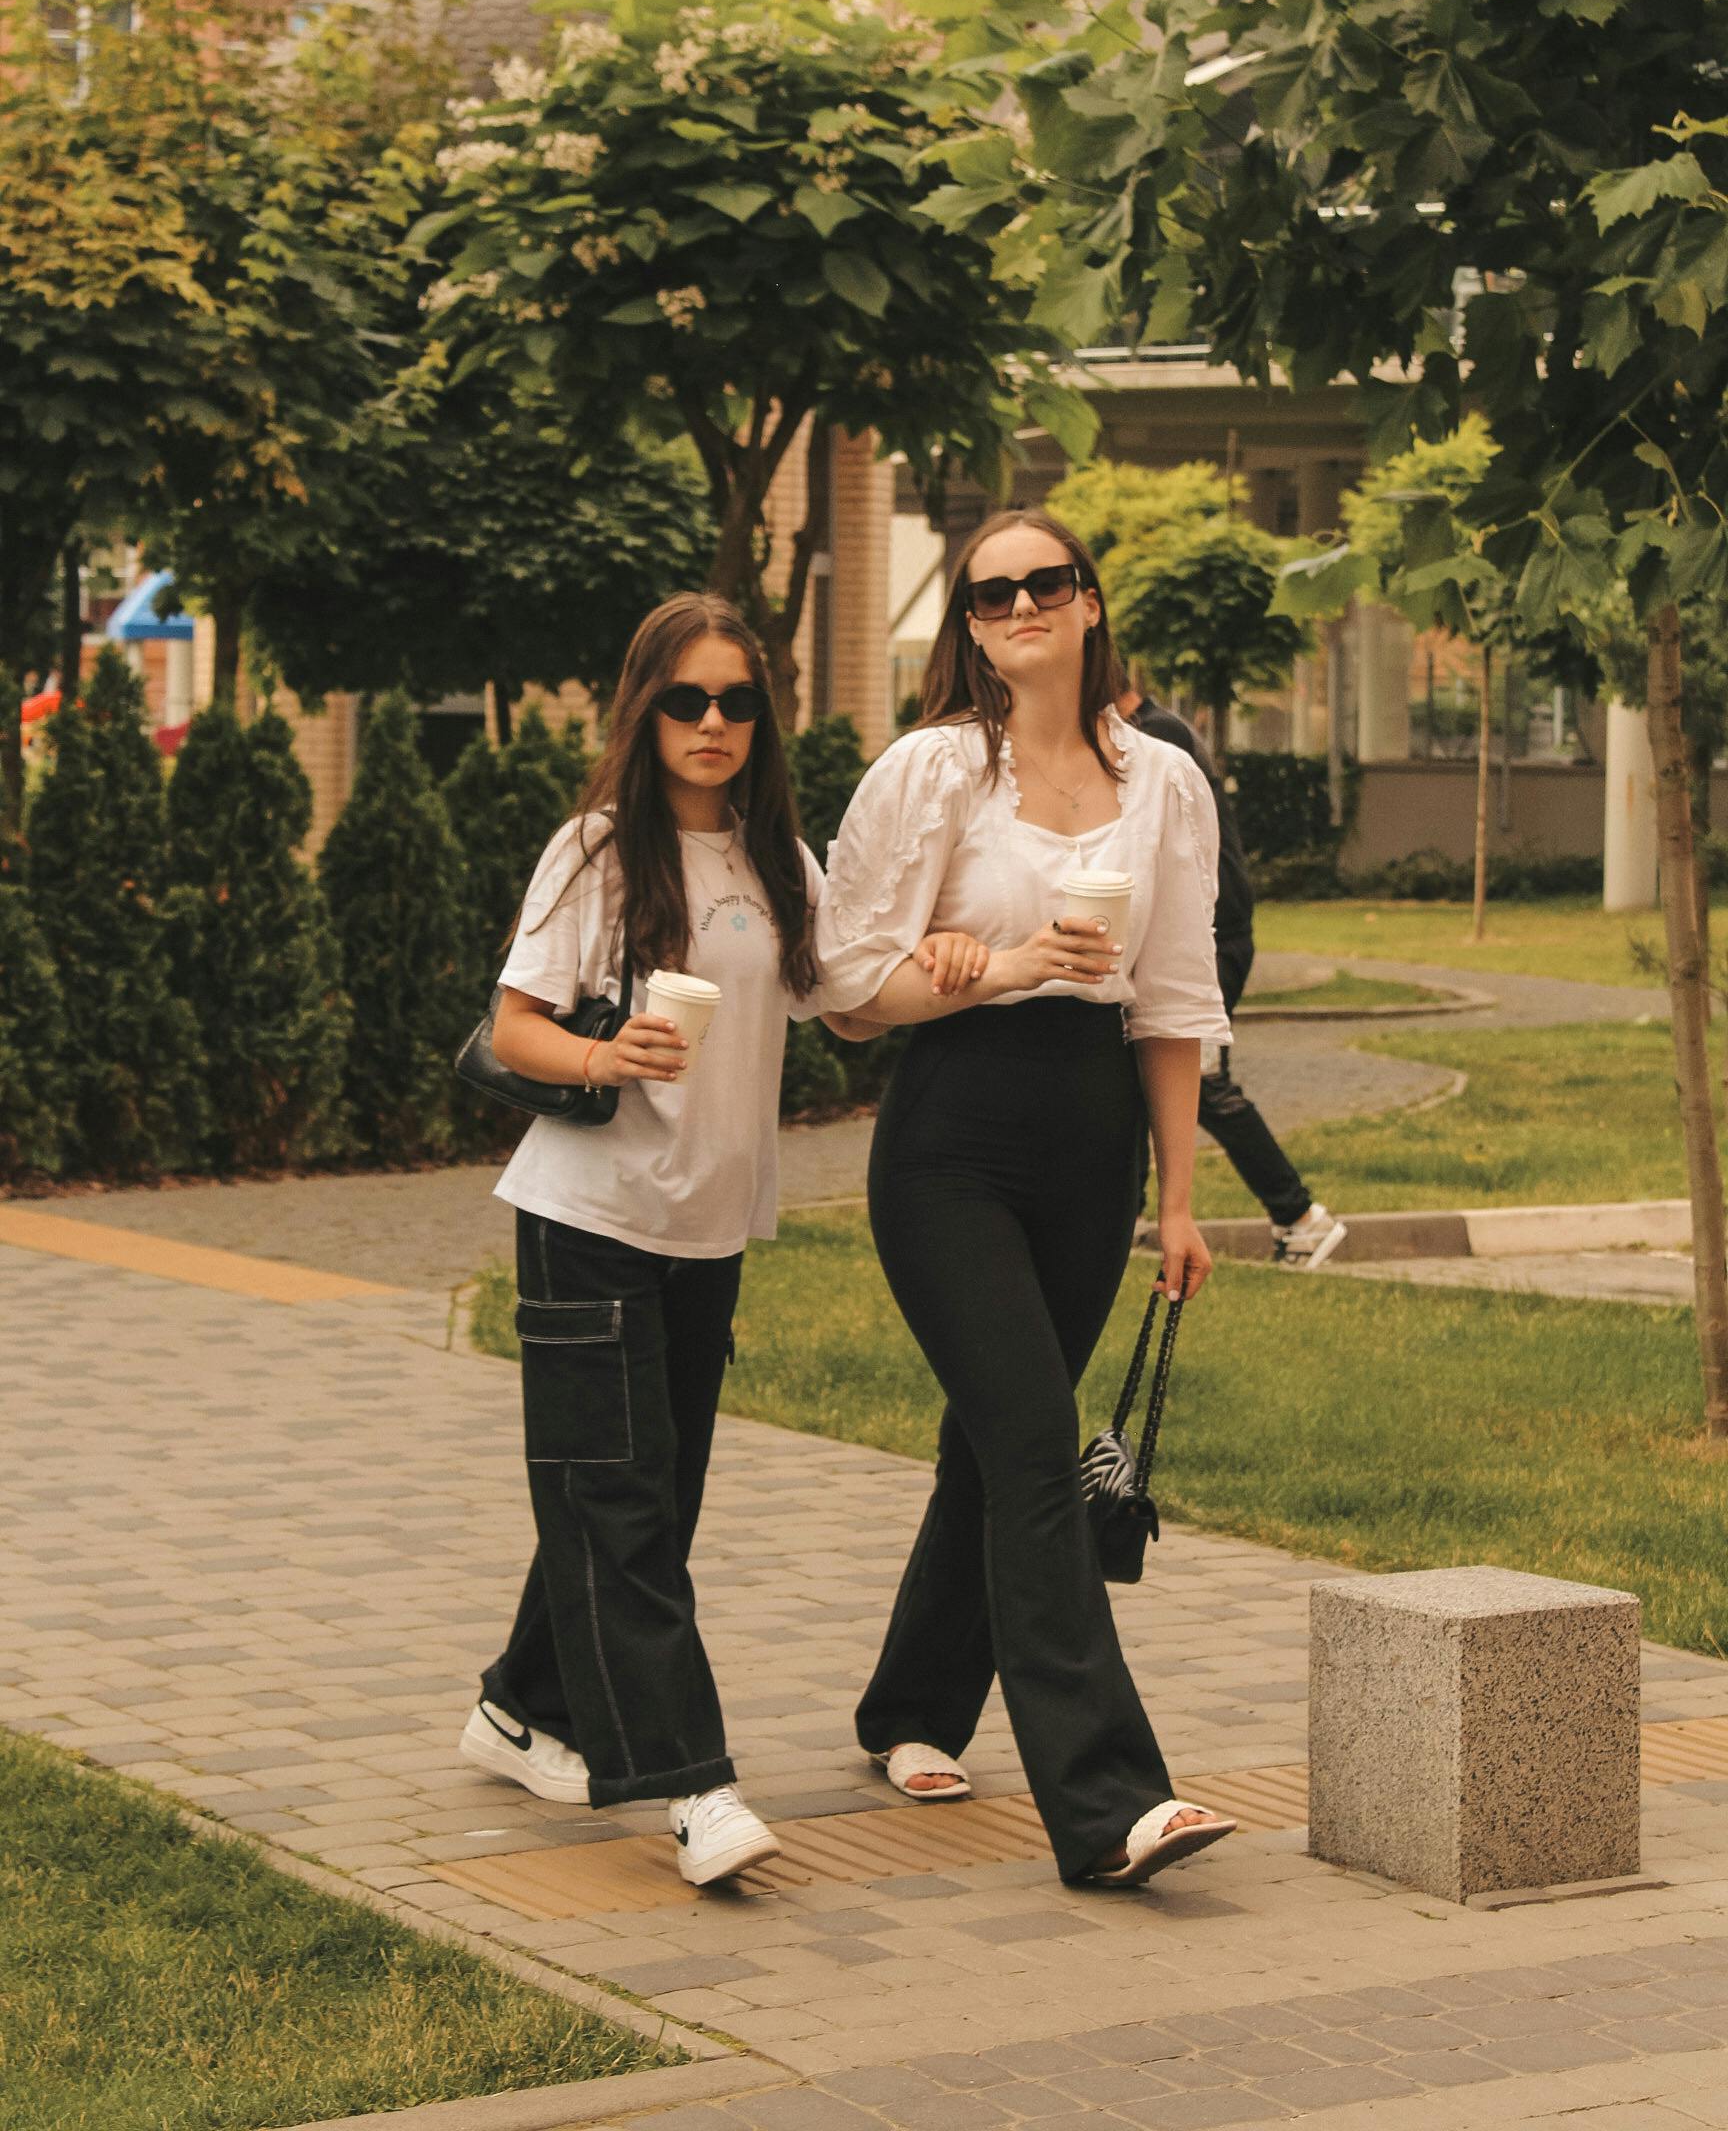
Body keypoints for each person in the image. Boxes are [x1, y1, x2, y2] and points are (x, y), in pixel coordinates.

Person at [815, 510, 1239, 1888]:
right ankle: (1110, 1799)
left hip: (1091, 1136)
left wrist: (1179, 1201)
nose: (1019, 607)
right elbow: (848, 999)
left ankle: (910, 1711)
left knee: (992, 1444)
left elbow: (1174, 1003)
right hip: (951, 1138)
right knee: (1035, 1440)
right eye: (991, 594)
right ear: (973, 628)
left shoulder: (1167, 782)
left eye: (1043, 582)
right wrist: (988, 964)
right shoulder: (932, 772)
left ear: (1087, 601)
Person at [457, 593, 867, 1889]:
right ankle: (691, 1783)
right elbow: (513, 1027)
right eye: (686, 700)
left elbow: (852, 1002)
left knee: (643, 1499)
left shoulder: (775, 863)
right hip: (587, 1217)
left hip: (705, 1230)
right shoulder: (595, 853)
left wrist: (1005, 958)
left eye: (736, 702)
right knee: (622, 1503)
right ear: (645, 707)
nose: (711, 724)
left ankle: (524, 1706)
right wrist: (601, 1050)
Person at [1132, 697, 1346, 1271]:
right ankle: (1124, 1215)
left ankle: (1300, 1218)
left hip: (1209, 938)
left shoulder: (1157, 741)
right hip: (1205, 934)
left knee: (1197, 1080)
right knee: (1142, 1067)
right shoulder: (1155, 731)